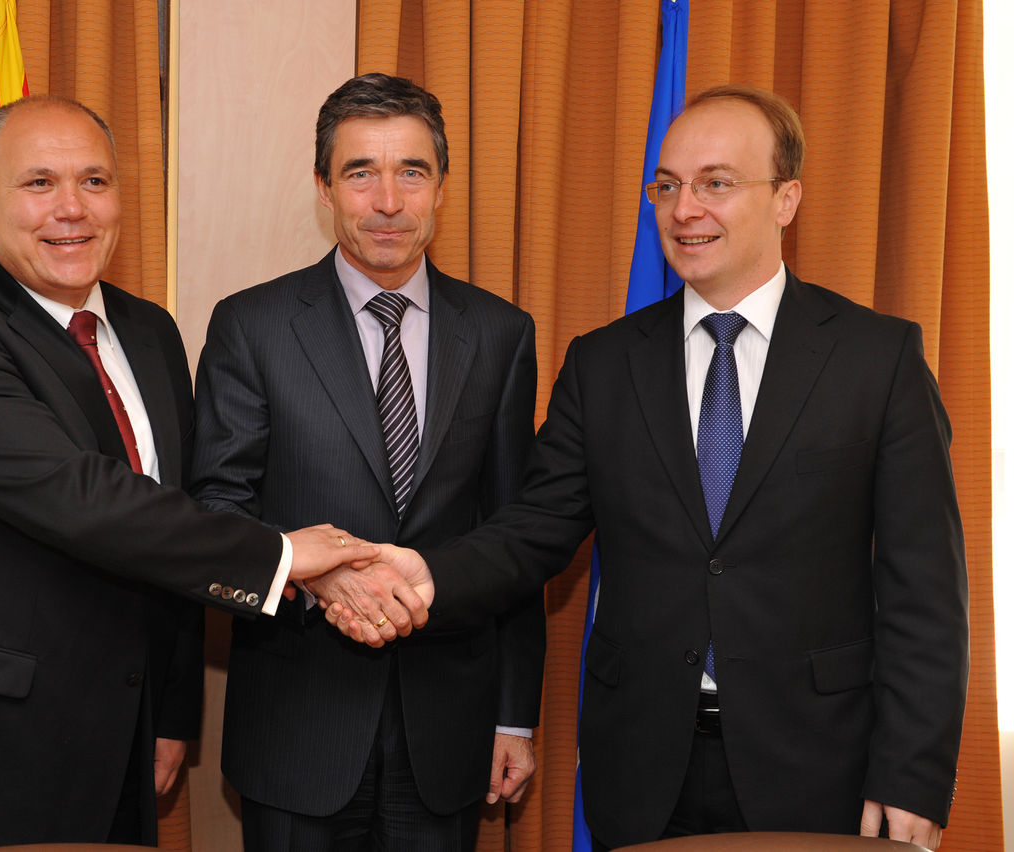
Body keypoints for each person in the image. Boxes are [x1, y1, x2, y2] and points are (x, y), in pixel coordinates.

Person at [331, 85, 969, 850]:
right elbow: (531, 533)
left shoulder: (878, 359)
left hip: (823, 766)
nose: (684, 208)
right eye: (666, 186)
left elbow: (925, 595)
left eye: (716, 183)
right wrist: (420, 575)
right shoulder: (603, 365)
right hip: (641, 767)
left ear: (787, 199)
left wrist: (912, 776)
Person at [0, 95, 400, 852]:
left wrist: (173, 710)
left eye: (94, 181)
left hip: (115, 744)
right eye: (39, 184)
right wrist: (286, 555)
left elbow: (169, 516)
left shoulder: (148, 331)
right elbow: (84, 501)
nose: (71, 210)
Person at [190, 73, 545, 851]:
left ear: (441, 186)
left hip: (449, 734)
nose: (388, 200)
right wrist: (312, 572)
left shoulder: (500, 335)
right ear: (324, 187)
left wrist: (514, 715)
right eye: (361, 172)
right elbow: (217, 507)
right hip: (297, 725)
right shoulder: (252, 326)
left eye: (411, 171)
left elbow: (518, 531)